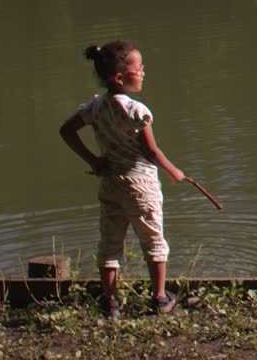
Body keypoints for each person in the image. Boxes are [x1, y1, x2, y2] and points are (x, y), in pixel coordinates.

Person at [59, 41, 185, 318]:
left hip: (111, 183)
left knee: (110, 242)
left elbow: (66, 131)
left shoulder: (96, 107)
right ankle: (160, 297)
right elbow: (151, 150)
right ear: (119, 77)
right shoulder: (137, 111)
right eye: (138, 69)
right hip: (141, 185)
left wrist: (93, 160)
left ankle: (110, 301)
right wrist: (173, 170)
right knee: (154, 241)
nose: (143, 73)